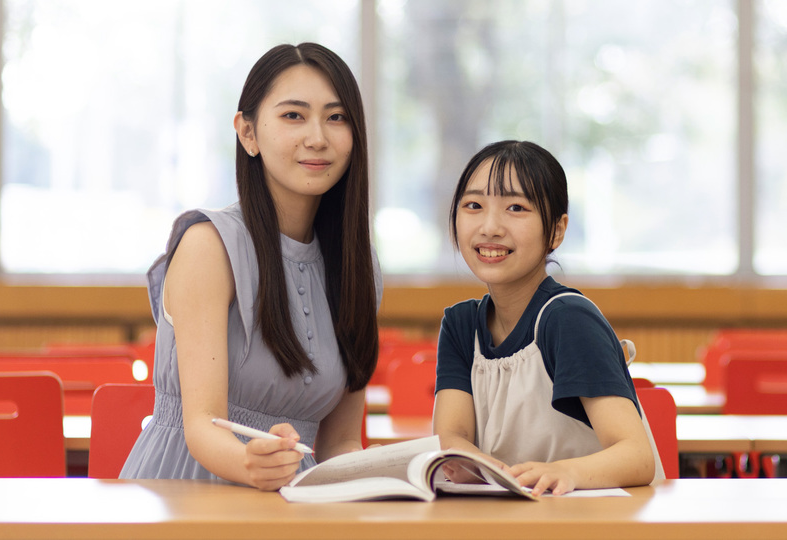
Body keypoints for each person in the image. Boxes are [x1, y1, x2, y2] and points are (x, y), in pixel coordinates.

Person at [120, 42, 381, 491]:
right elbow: (202, 426)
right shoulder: (209, 244)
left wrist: (376, 473)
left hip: (293, 498)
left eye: (336, 117)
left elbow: (339, 441)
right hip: (188, 487)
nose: (317, 137)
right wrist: (250, 464)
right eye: (293, 115)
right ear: (248, 133)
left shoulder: (359, 267)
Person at [433, 140, 661, 496]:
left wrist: (563, 473)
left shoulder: (568, 320)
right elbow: (452, 434)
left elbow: (637, 457)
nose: (490, 227)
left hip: (594, 522)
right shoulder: (461, 326)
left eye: (516, 208)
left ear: (556, 229)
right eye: (474, 205)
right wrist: (475, 464)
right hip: (511, 519)